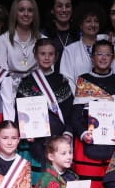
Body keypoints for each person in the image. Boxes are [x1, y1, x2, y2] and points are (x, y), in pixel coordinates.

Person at [68, 38, 115, 188]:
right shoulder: (84, 80)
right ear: (92, 58)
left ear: (113, 58)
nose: (103, 58)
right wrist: (83, 133)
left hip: (114, 144)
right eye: (99, 54)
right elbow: (76, 115)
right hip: (88, 142)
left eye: (107, 55)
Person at [6, 38, 72, 172]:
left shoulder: (62, 81)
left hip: (58, 140)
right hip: (33, 142)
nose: (46, 57)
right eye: (42, 54)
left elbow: (70, 113)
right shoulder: (26, 82)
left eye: (50, 54)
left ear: (56, 56)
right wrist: (24, 130)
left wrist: (67, 133)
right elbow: (19, 112)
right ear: (35, 55)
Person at [59, 2, 115, 86]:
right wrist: (80, 97)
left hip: (109, 97)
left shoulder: (110, 47)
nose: (93, 25)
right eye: (88, 21)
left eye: (96, 21)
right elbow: (67, 79)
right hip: (79, 97)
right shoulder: (70, 50)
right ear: (80, 25)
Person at [0, 0, 44, 87]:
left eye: (30, 10)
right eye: (21, 10)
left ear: (34, 14)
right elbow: (1, 73)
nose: (26, 14)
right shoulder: (2, 40)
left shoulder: (43, 40)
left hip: (37, 92)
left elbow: (47, 72)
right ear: (15, 13)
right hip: (10, 91)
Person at [44, 0, 77, 71]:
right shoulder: (43, 34)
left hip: (78, 81)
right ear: (52, 10)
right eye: (59, 6)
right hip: (50, 81)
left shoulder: (79, 34)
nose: (64, 10)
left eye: (68, 6)